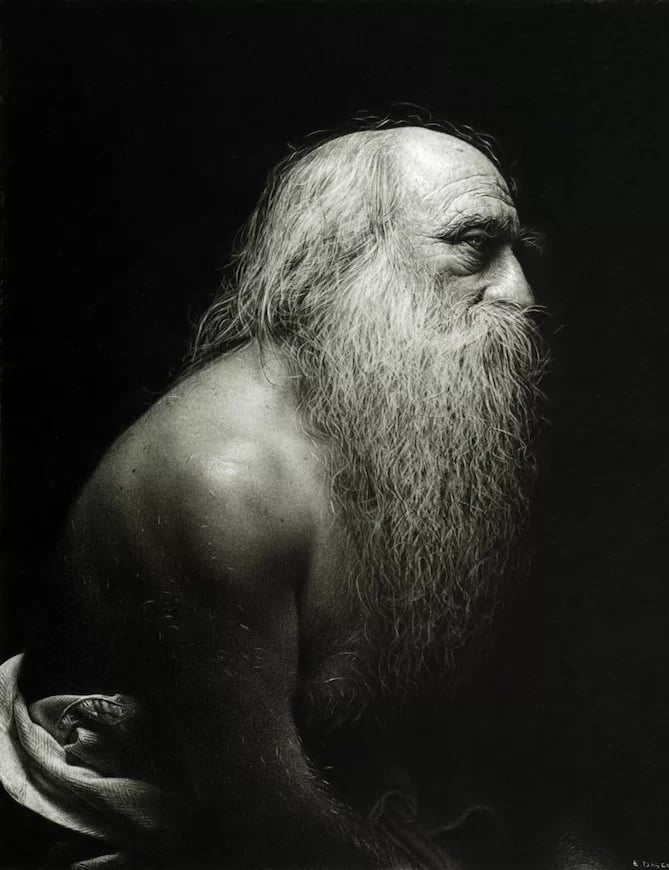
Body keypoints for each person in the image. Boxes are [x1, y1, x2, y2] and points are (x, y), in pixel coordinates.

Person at [1, 119, 550, 869]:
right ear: (338, 261)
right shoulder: (223, 482)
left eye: (517, 250)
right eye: (475, 245)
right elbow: (259, 817)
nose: (521, 292)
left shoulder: (390, 416)